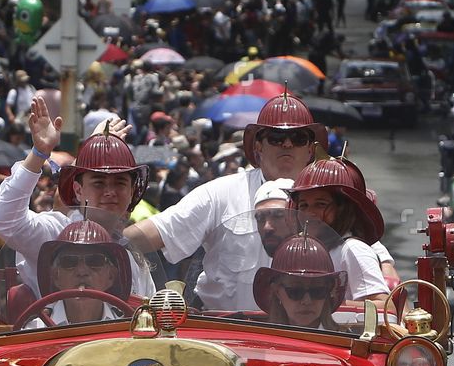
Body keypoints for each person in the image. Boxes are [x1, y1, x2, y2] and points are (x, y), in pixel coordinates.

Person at [126, 93, 327, 312]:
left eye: (298, 138)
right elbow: (148, 235)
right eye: (276, 137)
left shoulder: (331, 199)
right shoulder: (219, 194)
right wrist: (96, 244)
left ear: (310, 148)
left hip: (305, 337)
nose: (287, 144)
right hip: (225, 333)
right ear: (258, 146)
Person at [0, 96, 154, 296]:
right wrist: (39, 153)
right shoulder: (55, 233)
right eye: (98, 183)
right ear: (78, 191)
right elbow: (6, 221)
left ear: (131, 192)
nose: (110, 192)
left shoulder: (132, 258)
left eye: (120, 183)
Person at [287, 157, 389, 303]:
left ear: (342, 209)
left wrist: (329, 305)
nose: (310, 213)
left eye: (320, 204)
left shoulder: (352, 250)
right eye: (304, 205)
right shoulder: (308, 251)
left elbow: (385, 306)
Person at [27, 220, 135, 327]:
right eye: (69, 262)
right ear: (56, 276)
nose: (82, 272)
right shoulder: (32, 330)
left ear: (111, 276)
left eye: (95, 261)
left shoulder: (130, 329)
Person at [253, 233, 347, 329]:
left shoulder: (347, 342)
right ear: (277, 291)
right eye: (295, 291)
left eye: (318, 291)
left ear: (329, 291)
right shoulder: (263, 341)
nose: (307, 301)